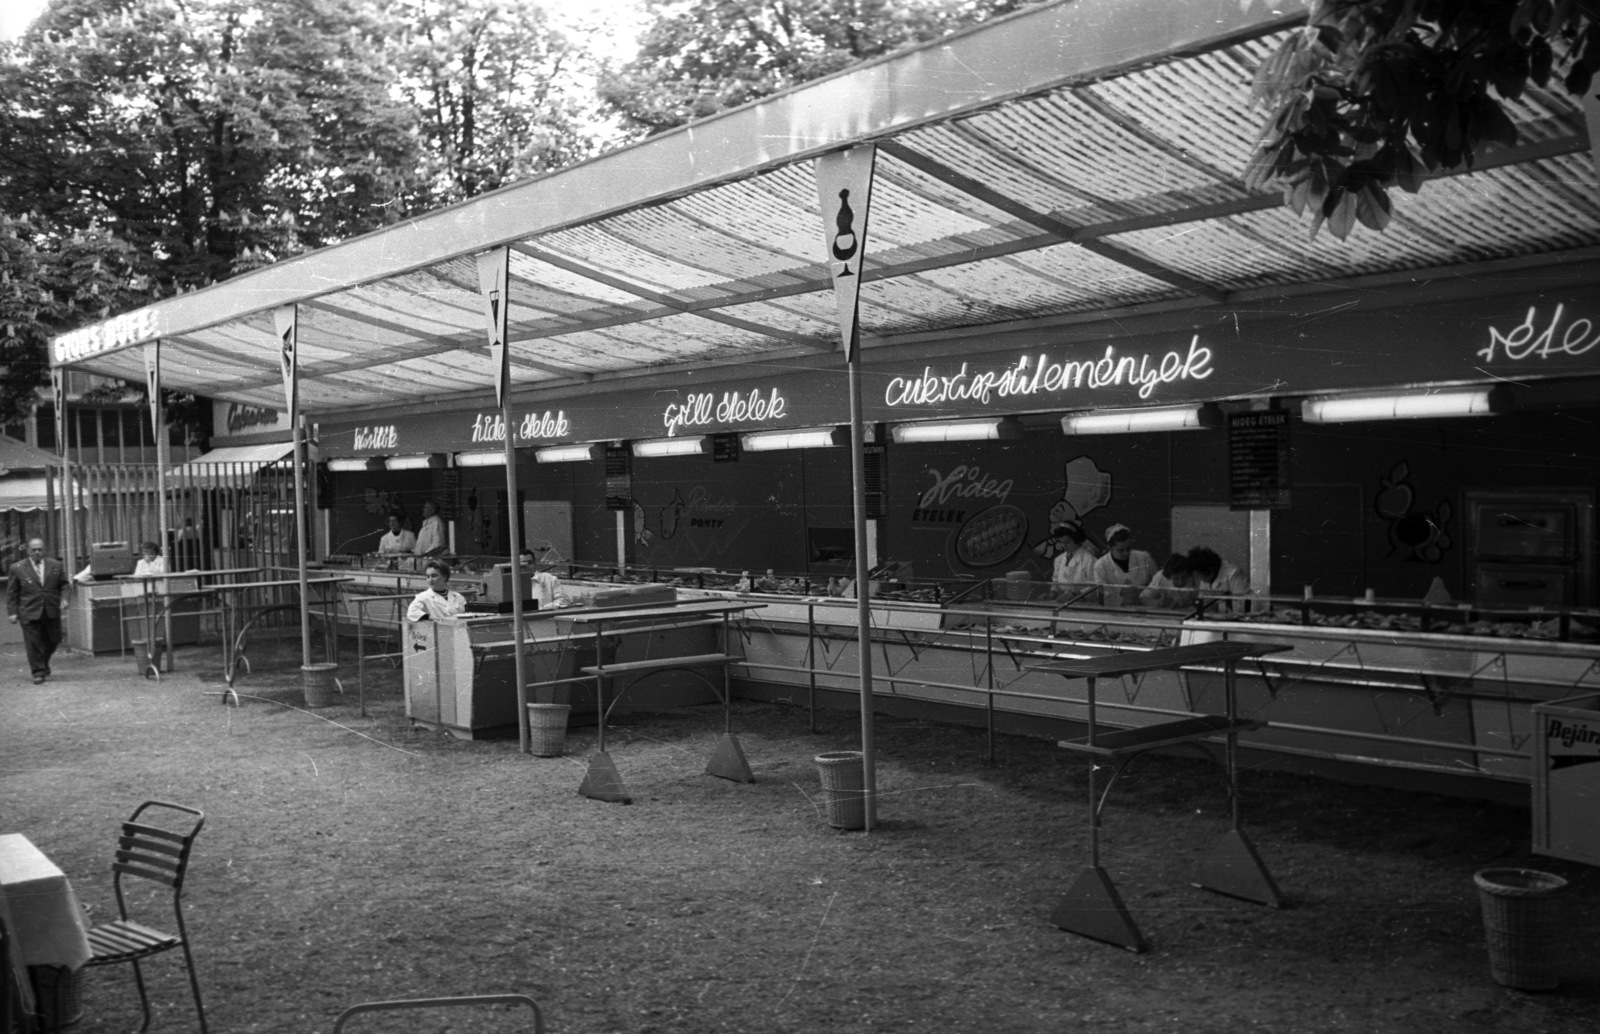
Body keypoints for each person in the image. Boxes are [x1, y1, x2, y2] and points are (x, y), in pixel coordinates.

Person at [7, 538, 72, 684]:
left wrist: (65, 599)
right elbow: (12, 592)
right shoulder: (17, 568)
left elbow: (65, 585)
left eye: (40, 549)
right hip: (28, 610)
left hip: (51, 609)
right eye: (34, 549)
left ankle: (43, 661)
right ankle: (38, 672)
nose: (37, 552)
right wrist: (12, 612)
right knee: (33, 642)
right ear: (28, 550)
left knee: (54, 640)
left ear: (45, 550)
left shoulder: (56, 565)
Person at [1091, 523, 1157, 606]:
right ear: (1110, 548)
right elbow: (1104, 597)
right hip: (1116, 611)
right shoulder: (1101, 565)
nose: (1126, 553)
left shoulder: (1144, 557)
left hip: (1145, 606)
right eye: (1120, 550)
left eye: (1128, 548)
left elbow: (1158, 583)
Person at [1187, 546, 1251, 612]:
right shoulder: (1204, 571)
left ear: (1211, 573)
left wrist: (1216, 607)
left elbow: (1244, 606)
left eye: (1198, 575)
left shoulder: (1234, 575)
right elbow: (1203, 600)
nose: (1198, 578)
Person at [1050, 524, 1099, 601]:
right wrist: (1052, 594)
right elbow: (1056, 584)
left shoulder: (1089, 559)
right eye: (1061, 542)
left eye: (1067, 542)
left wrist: (1074, 595)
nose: (1064, 546)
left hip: (1083, 605)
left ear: (1076, 540)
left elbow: (1094, 587)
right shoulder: (1059, 560)